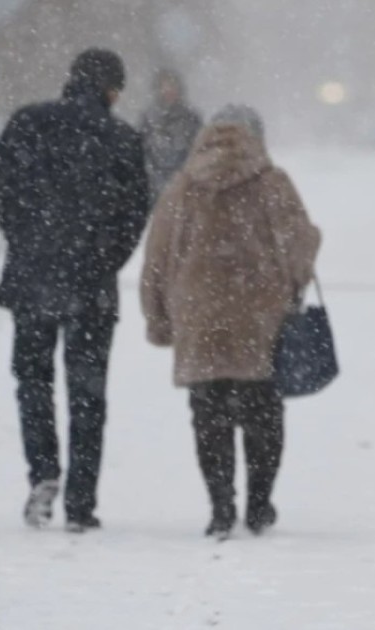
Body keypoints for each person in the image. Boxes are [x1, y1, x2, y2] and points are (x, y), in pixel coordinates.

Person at [140, 105, 321, 540]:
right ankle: (259, 505)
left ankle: (221, 507)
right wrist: (293, 284)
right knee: (263, 415)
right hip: (260, 318)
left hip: (198, 317)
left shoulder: (181, 188)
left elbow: (157, 261)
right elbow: (300, 245)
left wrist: (159, 318)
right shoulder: (272, 184)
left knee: (208, 415)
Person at [0, 48, 150, 533]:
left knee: (33, 381)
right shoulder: (121, 138)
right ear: (112, 89)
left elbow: (2, 194)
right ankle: (81, 501)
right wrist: (103, 261)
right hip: (91, 287)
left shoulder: (27, 122)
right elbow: (134, 215)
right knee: (88, 393)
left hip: (33, 278)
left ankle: (43, 472)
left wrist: (28, 243)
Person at [139, 68, 204, 200]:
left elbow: (198, 149)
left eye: (172, 86)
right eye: (164, 86)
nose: (168, 90)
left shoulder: (191, 117)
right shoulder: (148, 117)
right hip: (154, 182)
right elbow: (142, 148)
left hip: (185, 182)